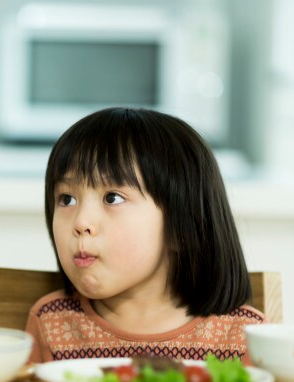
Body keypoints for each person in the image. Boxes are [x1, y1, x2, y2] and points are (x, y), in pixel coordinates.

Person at [25, 107, 265, 364]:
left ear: (181, 224)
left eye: (112, 198)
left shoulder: (242, 336)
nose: (81, 222)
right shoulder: (51, 323)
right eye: (67, 199)